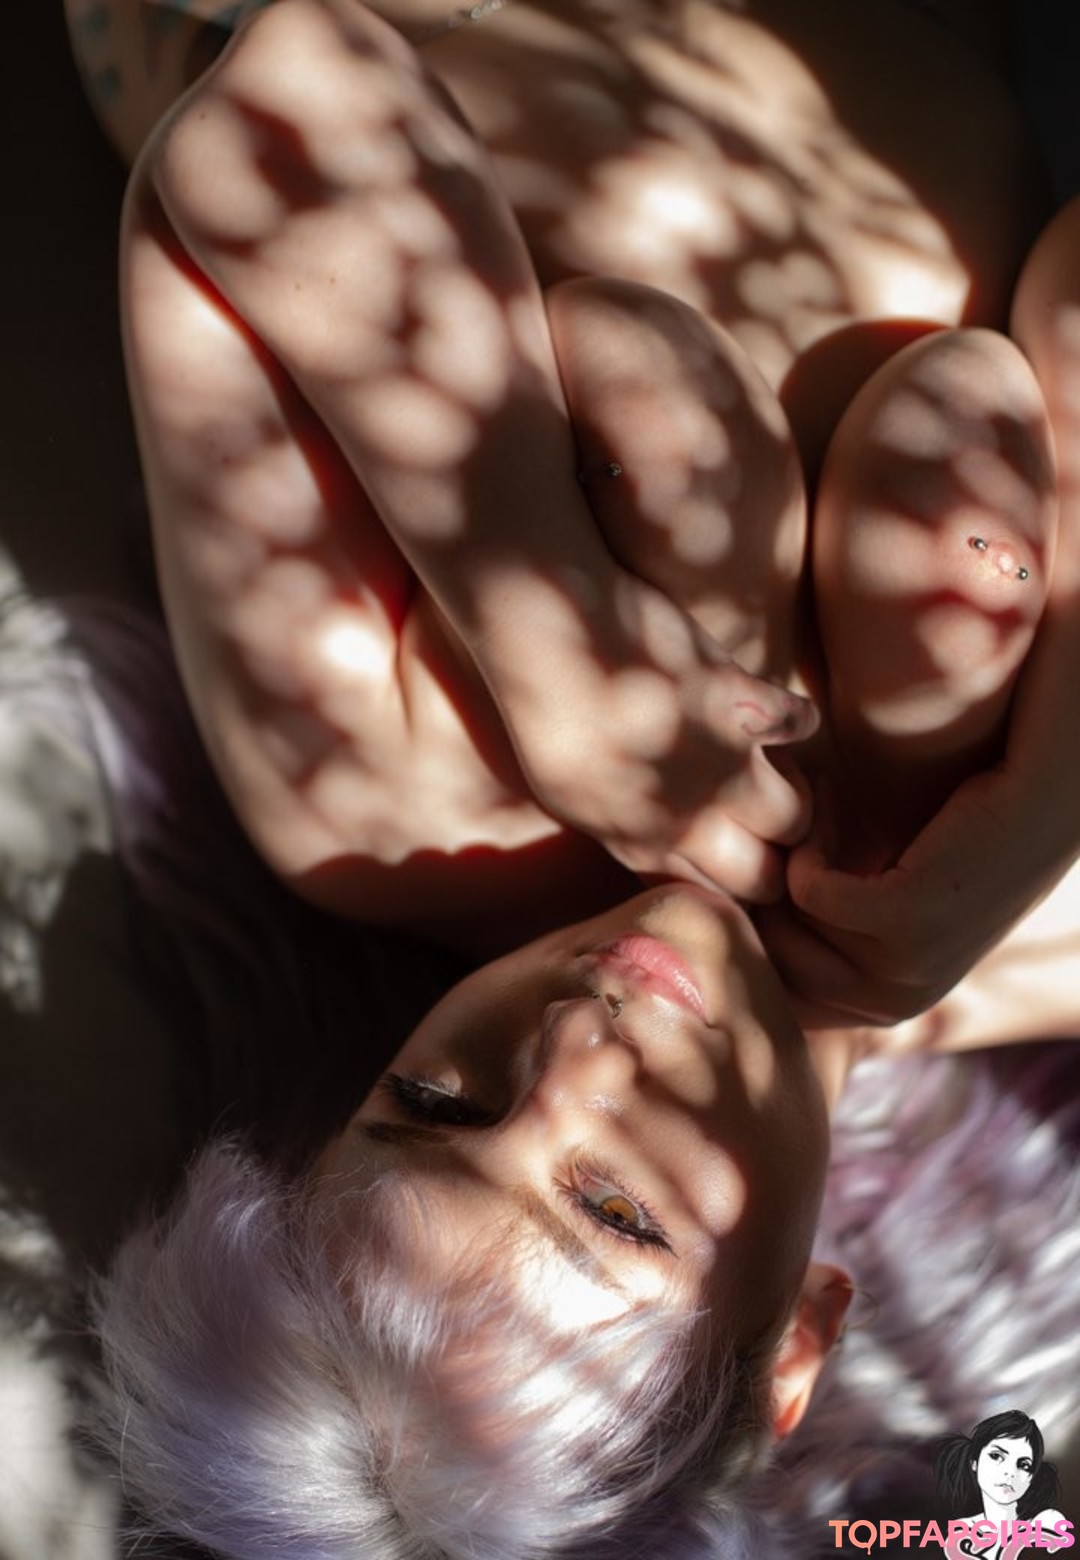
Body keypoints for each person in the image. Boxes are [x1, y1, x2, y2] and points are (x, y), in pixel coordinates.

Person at [61, 0, 1080, 1554]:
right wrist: (1056, 780)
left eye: (433, 1102)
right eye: (617, 1210)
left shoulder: (381, 810)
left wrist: (537, 603)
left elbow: (283, 85)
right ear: (792, 1346)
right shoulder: (1050, 934)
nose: (573, 1049)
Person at [936, 1411, 1071, 1560]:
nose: (1010, 1472)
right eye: (996, 1456)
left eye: (1024, 1465)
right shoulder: (960, 1530)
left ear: (1032, 1477)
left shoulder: (1047, 1522)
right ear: (974, 1462)